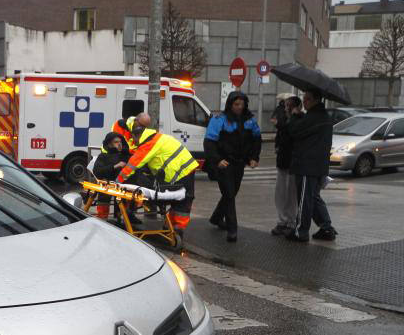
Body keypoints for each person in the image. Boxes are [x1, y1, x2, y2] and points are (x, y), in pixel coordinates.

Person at [116, 112, 197, 236]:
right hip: (187, 168)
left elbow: (133, 165)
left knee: (182, 201)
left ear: (138, 136)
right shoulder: (157, 138)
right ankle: (172, 228)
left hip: (182, 171)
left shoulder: (148, 144)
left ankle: (177, 230)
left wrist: (117, 182)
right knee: (181, 199)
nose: (134, 143)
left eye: (134, 140)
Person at [203, 91, 262, 242]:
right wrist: (217, 160)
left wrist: (254, 158)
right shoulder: (219, 120)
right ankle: (232, 229)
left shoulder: (249, 120)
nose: (239, 107)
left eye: (242, 104)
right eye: (236, 104)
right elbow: (209, 142)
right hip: (224, 163)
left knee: (232, 192)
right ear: (230, 104)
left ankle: (216, 218)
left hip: (239, 162)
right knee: (229, 194)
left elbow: (256, 139)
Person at [286, 88, 337, 242]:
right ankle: (326, 228)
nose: (304, 102)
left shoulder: (315, 116)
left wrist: (294, 116)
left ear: (315, 100)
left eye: (307, 99)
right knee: (313, 197)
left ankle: (300, 231)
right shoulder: (322, 116)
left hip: (307, 164)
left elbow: (295, 131)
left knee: (305, 199)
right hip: (318, 164)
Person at [270, 96, 300, 235]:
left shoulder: (298, 120)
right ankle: (282, 220)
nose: (286, 108)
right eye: (286, 105)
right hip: (282, 161)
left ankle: (291, 221)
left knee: (291, 193)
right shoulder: (285, 120)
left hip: (293, 162)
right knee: (281, 192)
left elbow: (293, 134)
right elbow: (281, 135)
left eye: (289, 106)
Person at [92, 132, 130, 218]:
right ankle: (102, 217)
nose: (119, 144)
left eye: (120, 141)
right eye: (116, 142)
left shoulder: (125, 156)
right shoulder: (103, 156)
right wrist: (115, 166)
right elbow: (97, 172)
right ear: (109, 144)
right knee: (104, 190)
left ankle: (124, 216)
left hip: (124, 185)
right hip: (108, 184)